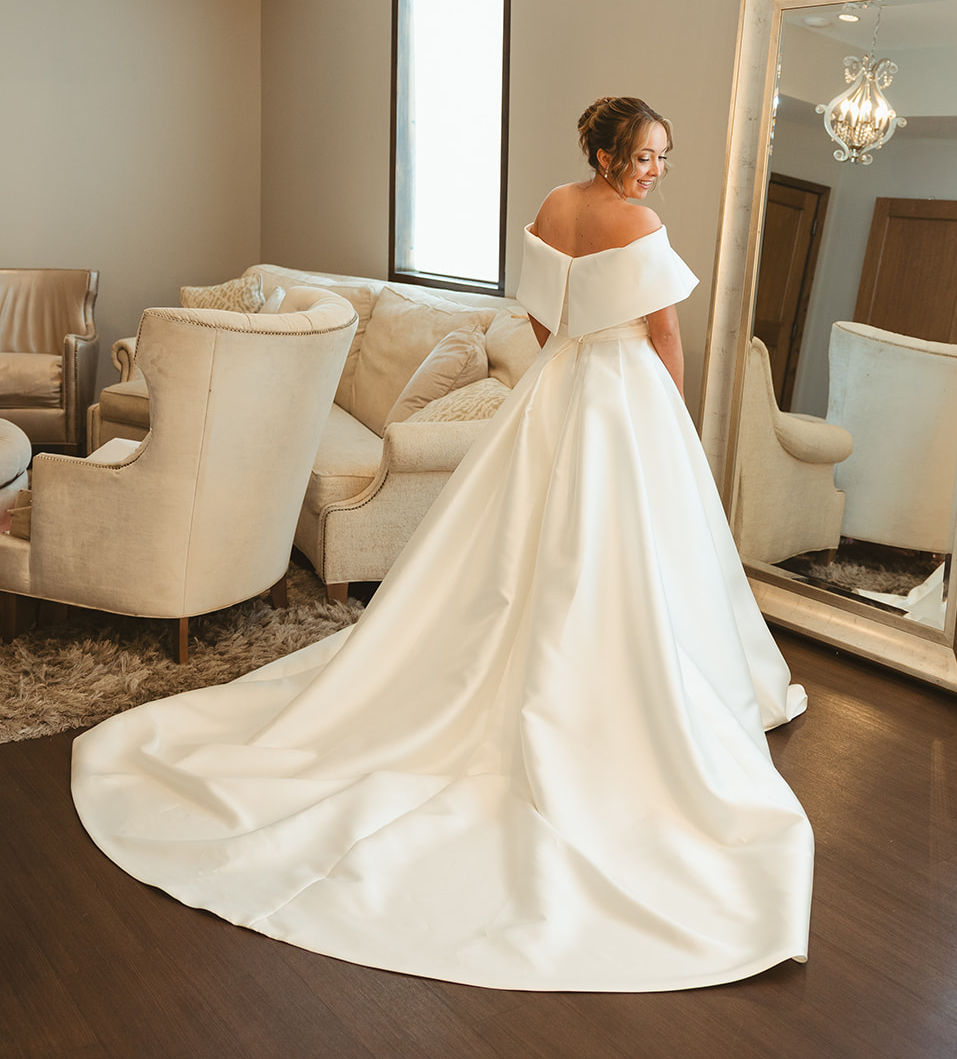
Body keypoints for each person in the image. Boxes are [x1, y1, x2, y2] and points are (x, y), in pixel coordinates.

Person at [71, 96, 813, 993]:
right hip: (624, 397)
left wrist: (573, 353)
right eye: (649, 154)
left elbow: (540, 322)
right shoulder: (638, 222)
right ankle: (621, 684)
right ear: (614, 154)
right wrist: (671, 418)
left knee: (518, 541)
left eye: (663, 157)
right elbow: (663, 336)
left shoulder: (550, 207)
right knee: (626, 549)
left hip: (558, 387)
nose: (658, 170)